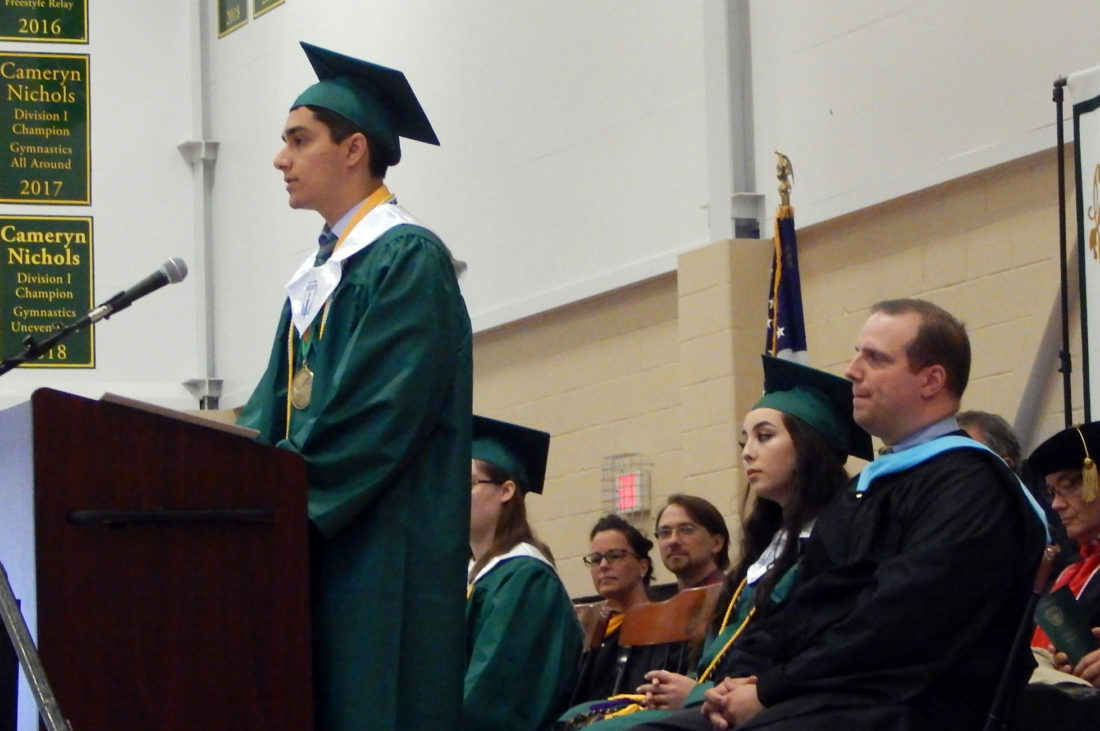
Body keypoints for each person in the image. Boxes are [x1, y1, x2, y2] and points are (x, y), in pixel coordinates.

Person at [632, 298, 1046, 730]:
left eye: (875, 358)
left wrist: (771, 689)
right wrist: (737, 683)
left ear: (931, 380)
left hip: (905, 708)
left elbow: (895, 623)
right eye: (856, 354)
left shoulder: (970, 487)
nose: (851, 370)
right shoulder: (867, 489)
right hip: (822, 696)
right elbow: (800, 607)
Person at [235, 43, 472, 730]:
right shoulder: (317, 277)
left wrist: (280, 498)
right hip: (318, 548)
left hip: (378, 553)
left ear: (354, 149)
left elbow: (377, 418)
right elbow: (269, 411)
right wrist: (230, 481)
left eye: (298, 140)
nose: (280, 159)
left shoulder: (407, 259)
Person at [555, 354, 872, 730]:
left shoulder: (832, 544)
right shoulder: (768, 549)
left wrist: (697, 693)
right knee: (573, 720)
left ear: (809, 447)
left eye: (764, 437)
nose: (747, 452)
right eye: (745, 440)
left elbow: (784, 656)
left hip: (773, 707)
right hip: (714, 696)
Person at [466, 416, 583, 730]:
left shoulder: (525, 578)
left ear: (506, 491)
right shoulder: (472, 575)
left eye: (468, 483)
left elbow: (492, 695)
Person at [573, 514, 656, 703]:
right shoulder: (585, 627)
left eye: (615, 556)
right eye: (596, 559)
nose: (603, 566)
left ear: (643, 567)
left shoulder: (663, 624)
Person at [654, 495, 731, 592]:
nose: (673, 541)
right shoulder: (663, 600)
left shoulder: (737, 596)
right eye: (665, 532)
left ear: (717, 543)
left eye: (687, 529)